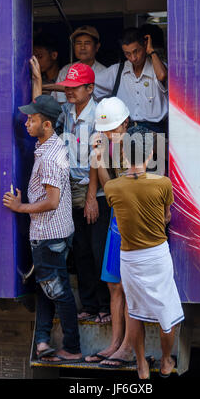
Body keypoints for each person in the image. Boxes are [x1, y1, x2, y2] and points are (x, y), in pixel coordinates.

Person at [2, 94, 82, 363]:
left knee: (59, 293)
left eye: (32, 119)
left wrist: (19, 207)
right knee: (46, 288)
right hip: (57, 233)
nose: (26, 123)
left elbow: (51, 201)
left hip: (49, 236)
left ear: (46, 125)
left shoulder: (49, 157)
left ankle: (72, 347)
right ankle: (43, 342)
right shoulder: (52, 145)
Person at [103, 126, 184, 379]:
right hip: (156, 256)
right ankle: (166, 360)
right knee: (167, 314)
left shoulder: (113, 188)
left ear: (124, 153)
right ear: (150, 154)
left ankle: (141, 365)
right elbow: (166, 217)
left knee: (135, 312)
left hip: (130, 259)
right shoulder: (162, 183)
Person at [56, 62, 111, 324]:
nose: (69, 91)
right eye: (67, 87)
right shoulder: (67, 110)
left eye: (75, 87)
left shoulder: (99, 114)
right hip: (71, 188)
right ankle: (89, 305)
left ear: (90, 88)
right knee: (81, 250)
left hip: (95, 190)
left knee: (97, 248)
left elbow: (96, 159)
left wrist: (91, 198)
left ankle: (105, 305)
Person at [85, 97, 136, 368]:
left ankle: (127, 346)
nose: (107, 135)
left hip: (134, 221)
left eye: (112, 129)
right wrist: (99, 158)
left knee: (128, 286)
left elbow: (117, 190)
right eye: (104, 131)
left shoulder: (137, 146)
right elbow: (109, 188)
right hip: (118, 217)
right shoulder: (111, 146)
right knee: (114, 284)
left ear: (126, 123)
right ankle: (116, 343)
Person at [94, 27, 167, 134]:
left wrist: (151, 51)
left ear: (145, 45)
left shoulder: (157, 67)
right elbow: (87, 85)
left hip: (155, 130)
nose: (133, 58)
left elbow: (162, 76)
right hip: (126, 130)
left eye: (136, 51)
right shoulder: (117, 70)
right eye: (127, 54)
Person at [31, 25, 106, 105]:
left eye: (87, 43)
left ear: (97, 47)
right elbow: (55, 100)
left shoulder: (105, 73)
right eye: (78, 43)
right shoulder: (66, 70)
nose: (82, 47)